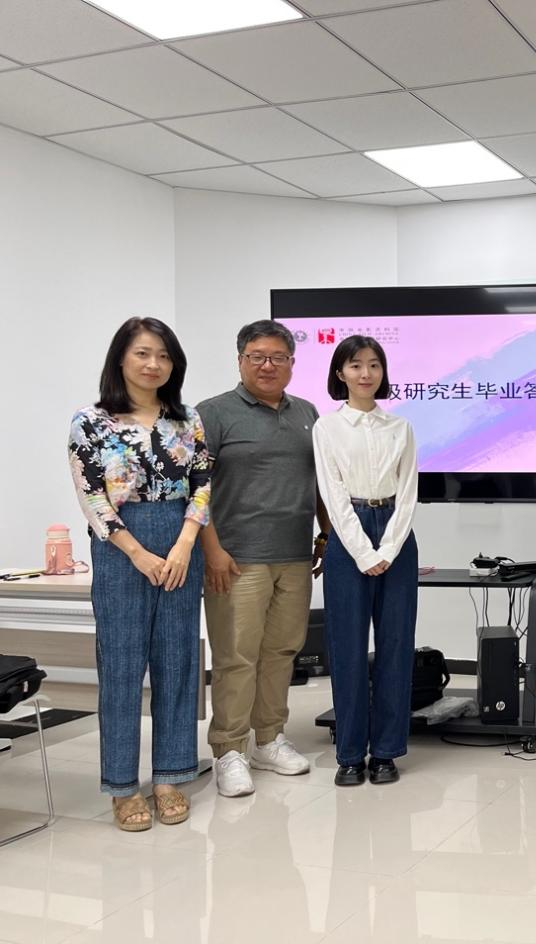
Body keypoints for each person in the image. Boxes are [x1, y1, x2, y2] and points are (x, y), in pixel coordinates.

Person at [69, 317, 210, 831]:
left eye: (164, 356)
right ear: (121, 359)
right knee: (122, 667)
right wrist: (137, 552)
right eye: (144, 353)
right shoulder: (90, 421)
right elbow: (92, 497)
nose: (154, 364)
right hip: (120, 548)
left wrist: (184, 544)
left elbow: (203, 484)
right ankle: (123, 787)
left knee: (177, 661)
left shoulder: (186, 419)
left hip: (180, 542)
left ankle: (170, 775)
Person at [197, 321, 328, 797]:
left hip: (294, 556)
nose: (267, 365)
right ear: (240, 361)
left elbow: (320, 482)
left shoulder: (307, 413)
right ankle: (228, 750)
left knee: (281, 652)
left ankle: (268, 740)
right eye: (257, 356)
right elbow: (196, 490)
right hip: (236, 559)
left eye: (278, 357)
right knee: (236, 657)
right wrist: (212, 550)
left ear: (292, 363)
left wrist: (326, 533)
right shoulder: (213, 413)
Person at [313, 336, 419, 786]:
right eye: (356, 365)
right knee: (348, 649)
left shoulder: (400, 428)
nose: (366, 374)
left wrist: (388, 549)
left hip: (396, 532)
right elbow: (332, 495)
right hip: (347, 535)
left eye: (374, 365)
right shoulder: (326, 428)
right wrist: (362, 551)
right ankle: (351, 755)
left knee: (396, 646)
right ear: (341, 373)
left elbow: (409, 492)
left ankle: (387, 753)